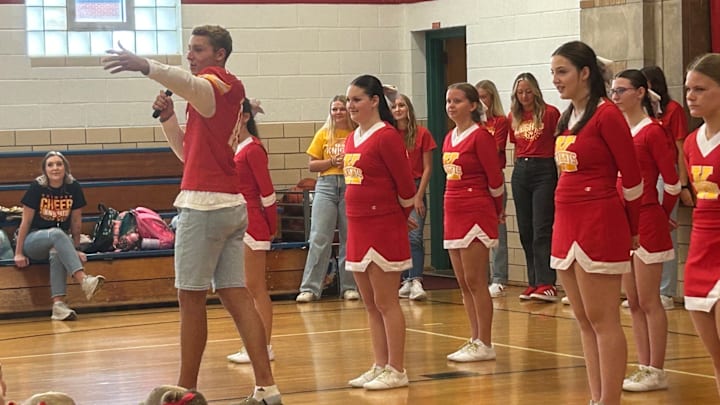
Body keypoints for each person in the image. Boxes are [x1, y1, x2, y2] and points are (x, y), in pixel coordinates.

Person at [102, 25, 281, 404]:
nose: (190, 55)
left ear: (219, 54)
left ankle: (185, 391)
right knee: (235, 295)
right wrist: (169, 119)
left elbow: (186, 82)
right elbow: (189, 155)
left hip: (205, 207)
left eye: (198, 49)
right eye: (189, 49)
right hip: (228, 205)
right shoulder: (216, 95)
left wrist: (144, 65)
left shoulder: (217, 85)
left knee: (191, 298)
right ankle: (267, 389)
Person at [550, 40, 643, 405]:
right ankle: (596, 397)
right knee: (584, 320)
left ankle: (610, 400)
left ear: (585, 72)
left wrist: (632, 228)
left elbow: (632, 179)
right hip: (566, 222)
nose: (556, 80)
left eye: (562, 71)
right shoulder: (566, 118)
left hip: (599, 220)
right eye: (553, 72)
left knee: (603, 320)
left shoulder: (607, 115)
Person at [343, 75, 416, 390]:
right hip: (357, 227)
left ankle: (396, 369)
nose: (351, 106)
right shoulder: (352, 138)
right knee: (370, 304)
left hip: (383, 227)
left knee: (387, 302)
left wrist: (399, 217)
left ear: (374, 101)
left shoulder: (387, 136)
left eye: (357, 99)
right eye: (348, 100)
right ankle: (379, 364)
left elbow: (406, 187)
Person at [610, 69, 680, 392]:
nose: (615, 97)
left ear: (640, 93)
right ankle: (643, 365)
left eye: (621, 90)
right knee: (634, 300)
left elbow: (673, 182)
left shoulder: (653, 131)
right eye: (613, 91)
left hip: (648, 218)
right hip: (621, 221)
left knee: (650, 300)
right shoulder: (618, 130)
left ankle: (657, 369)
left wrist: (661, 213)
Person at [442, 82, 504, 363]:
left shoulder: (481, 136)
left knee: (476, 280)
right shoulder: (448, 138)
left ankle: (485, 342)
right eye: (448, 101)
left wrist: (497, 210)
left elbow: (495, 179)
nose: (451, 106)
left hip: (476, 210)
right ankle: (474, 338)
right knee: (463, 283)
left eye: (457, 101)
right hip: (452, 211)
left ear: (473, 105)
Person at [13, 151, 105, 321]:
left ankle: (58, 306)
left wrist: (75, 249)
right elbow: (25, 222)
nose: (55, 168)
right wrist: (18, 253)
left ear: (66, 168)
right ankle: (84, 280)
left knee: (57, 250)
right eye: (50, 165)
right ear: (44, 170)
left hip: (59, 240)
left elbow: (76, 222)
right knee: (57, 234)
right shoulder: (37, 188)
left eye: (59, 164)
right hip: (32, 240)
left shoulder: (73, 187)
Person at [226, 99, 278, 365]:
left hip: (252, 223)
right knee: (245, 289)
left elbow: (267, 192)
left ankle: (264, 346)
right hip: (236, 220)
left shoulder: (254, 149)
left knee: (255, 288)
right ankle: (253, 345)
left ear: (245, 117)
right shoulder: (234, 147)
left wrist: (273, 225)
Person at [296, 95, 359, 303]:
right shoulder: (324, 133)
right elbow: (312, 165)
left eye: (342, 109)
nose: (338, 113)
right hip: (326, 185)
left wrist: (347, 161)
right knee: (319, 237)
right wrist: (332, 161)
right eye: (334, 109)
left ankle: (349, 287)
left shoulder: (356, 134)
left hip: (350, 183)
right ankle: (310, 288)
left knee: (349, 238)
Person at [638, 65, 691, 311]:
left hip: (666, 171)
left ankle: (665, 290)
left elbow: (680, 148)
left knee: (665, 229)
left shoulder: (672, 110)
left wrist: (683, 183)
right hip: (645, 172)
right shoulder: (639, 115)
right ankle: (645, 290)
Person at [682, 53, 720, 397]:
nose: (690, 96)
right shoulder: (692, 141)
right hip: (700, 247)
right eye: (688, 89)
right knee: (716, 360)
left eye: (700, 89)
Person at [508, 73, 561, 302]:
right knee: (525, 229)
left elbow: (559, 142)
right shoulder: (514, 117)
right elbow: (515, 147)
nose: (524, 96)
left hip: (544, 169)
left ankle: (547, 282)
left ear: (536, 91)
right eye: (520, 92)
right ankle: (533, 281)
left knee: (542, 228)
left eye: (528, 91)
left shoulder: (550, 113)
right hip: (521, 169)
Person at [393, 93, 437, 301]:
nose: (398, 109)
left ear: (409, 109)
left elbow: (428, 167)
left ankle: (417, 279)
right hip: (395, 189)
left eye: (402, 105)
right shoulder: (389, 134)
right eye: (394, 106)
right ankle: (406, 280)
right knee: (399, 236)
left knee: (415, 235)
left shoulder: (422, 133)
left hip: (416, 186)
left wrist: (419, 196)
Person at [475, 80, 510, 298]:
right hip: (476, 182)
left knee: (498, 230)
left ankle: (499, 277)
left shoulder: (500, 121)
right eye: (477, 97)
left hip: (494, 178)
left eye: (484, 97)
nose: (481, 101)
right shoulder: (474, 125)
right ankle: (482, 277)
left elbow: (494, 149)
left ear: (491, 98)